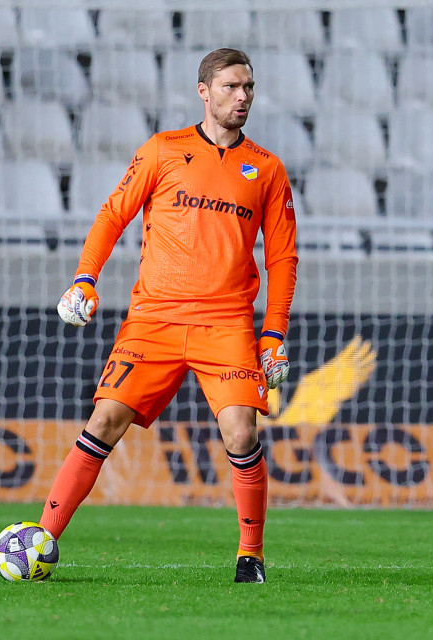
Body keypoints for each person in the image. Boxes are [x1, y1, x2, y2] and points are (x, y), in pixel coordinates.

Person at [39, 48, 298, 584]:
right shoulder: (162, 150)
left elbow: (282, 257)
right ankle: (41, 539)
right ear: (204, 91)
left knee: (241, 433)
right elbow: (113, 215)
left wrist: (274, 333)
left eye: (249, 87)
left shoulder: (268, 168)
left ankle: (250, 555)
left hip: (226, 324)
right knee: (103, 422)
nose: (243, 97)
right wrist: (85, 277)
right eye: (231, 87)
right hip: (153, 319)